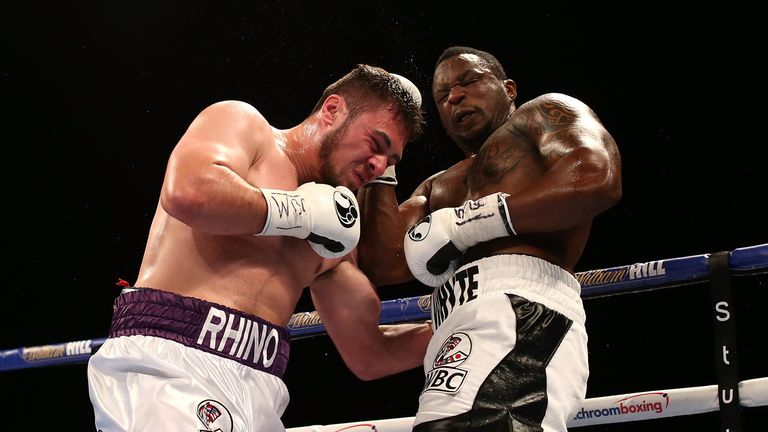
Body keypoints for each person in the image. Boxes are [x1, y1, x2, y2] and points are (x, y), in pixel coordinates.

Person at [87, 64, 433, 431]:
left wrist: (455, 321)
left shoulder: (335, 234)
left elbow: (370, 354)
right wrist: (299, 213)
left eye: (391, 160)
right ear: (333, 110)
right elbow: (187, 192)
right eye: (376, 144)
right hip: (170, 366)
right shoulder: (245, 127)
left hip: (261, 390)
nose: (378, 165)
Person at [357, 47, 622, 431]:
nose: (455, 97)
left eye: (467, 81)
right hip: (455, 333)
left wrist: (469, 223)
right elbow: (383, 263)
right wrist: (381, 159)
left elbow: (596, 177)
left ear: (508, 88)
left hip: (523, 314)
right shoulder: (436, 187)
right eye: (443, 95)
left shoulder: (544, 114)